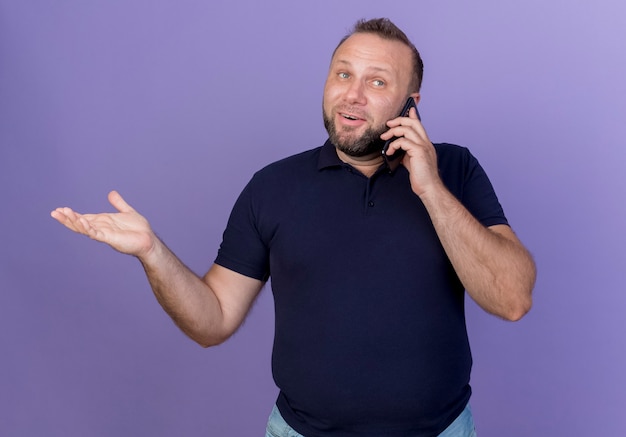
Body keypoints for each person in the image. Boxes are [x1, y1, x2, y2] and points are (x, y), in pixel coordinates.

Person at [51, 18, 536, 437]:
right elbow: (213, 320)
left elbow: (512, 299)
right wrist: (152, 252)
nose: (352, 93)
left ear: (412, 103)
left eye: (377, 82)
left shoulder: (454, 169)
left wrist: (429, 188)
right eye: (343, 74)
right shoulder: (272, 186)